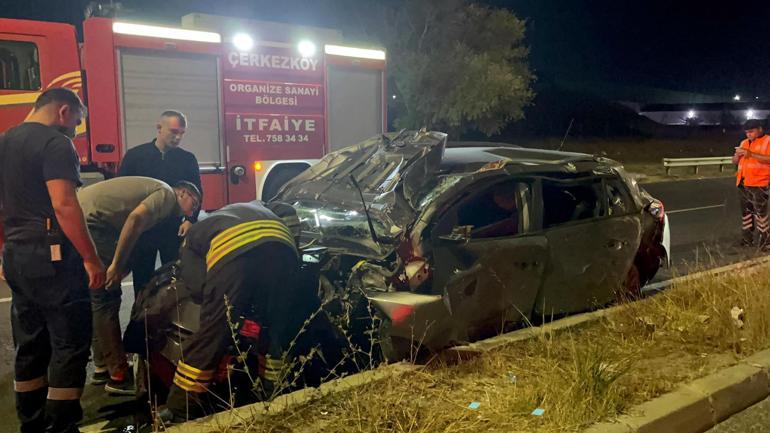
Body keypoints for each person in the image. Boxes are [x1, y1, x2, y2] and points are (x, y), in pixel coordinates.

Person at [0, 88, 106, 433]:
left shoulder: (4, 141)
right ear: (63, 111)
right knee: (70, 343)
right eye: (77, 120)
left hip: (17, 254)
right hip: (53, 257)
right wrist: (91, 259)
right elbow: (64, 204)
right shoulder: (55, 143)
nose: (76, 128)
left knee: (30, 345)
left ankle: (31, 424)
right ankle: (61, 427)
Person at [155, 201, 303, 422]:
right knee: (275, 327)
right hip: (284, 250)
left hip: (236, 251)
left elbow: (198, 287)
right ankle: (274, 391)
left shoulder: (190, 241)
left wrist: (218, 309)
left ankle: (180, 408)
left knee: (211, 333)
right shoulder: (252, 208)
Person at [78, 176, 201, 394]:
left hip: (83, 215)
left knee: (97, 297)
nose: (190, 214)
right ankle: (118, 375)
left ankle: (102, 366)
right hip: (94, 223)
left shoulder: (154, 190)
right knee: (106, 299)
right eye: (194, 204)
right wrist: (116, 264)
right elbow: (134, 220)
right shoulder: (166, 195)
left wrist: (123, 263)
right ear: (183, 193)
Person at [118, 110, 201, 295]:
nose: (178, 137)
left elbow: (196, 193)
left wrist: (190, 220)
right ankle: (142, 320)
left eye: (182, 132)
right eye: (173, 131)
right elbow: (122, 191)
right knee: (142, 280)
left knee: (174, 279)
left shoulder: (187, 159)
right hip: (142, 230)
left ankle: (170, 319)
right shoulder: (135, 156)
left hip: (172, 230)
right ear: (159, 128)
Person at [733, 119, 770, 249]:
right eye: (747, 132)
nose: (748, 134)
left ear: (760, 129)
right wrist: (737, 156)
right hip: (743, 183)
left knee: (761, 214)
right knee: (746, 213)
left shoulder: (767, 141)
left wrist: (751, 154)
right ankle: (747, 239)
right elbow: (735, 162)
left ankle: (766, 241)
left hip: (760, 183)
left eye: (751, 131)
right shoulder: (744, 142)